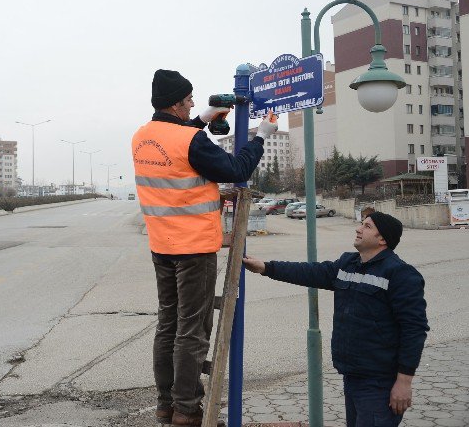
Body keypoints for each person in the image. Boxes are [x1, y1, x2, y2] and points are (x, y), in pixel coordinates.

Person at [131, 69, 278, 426]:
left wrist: (203, 120)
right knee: (192, 330)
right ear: (176, 103)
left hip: (161, 246)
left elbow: (173, 146)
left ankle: (166, 404)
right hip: (194, 248)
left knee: (168, 323)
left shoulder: (141, 136)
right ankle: (187, 409)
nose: (194, 103)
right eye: (190, 100)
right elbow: (234, 168)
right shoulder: (190, 141)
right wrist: (261, 135)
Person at [243, 212, 429, 427]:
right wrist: (266, 267)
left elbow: (414, 330)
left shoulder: (400, 274)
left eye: (367, 226)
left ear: (383, 239)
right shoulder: (348, 264)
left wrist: (404, 382)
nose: (359, 229)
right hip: (352, 376)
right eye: (361, 224)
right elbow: (310, 272)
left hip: (380, 382)